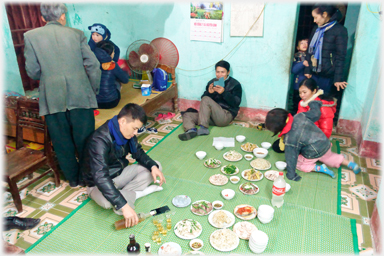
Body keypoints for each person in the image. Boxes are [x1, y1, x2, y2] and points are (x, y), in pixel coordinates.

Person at [24, 3, 101, 188]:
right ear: (63, 16)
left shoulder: (30, 36)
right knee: (86, 139)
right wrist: (92, 90)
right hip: (81, 95)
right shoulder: (77, 34)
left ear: (43, 18)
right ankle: (86, 178)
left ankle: (73, 179)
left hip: (52, 97)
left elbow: (32, 71)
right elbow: (94, 65)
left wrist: (48, 76)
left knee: (61, 141)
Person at [81, 103, 166, 228]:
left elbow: (138, 153)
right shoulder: (99, 141)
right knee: (106, 203)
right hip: (98, 183)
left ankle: (122, 196)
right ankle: (136, 194)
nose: (136, 133)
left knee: (156, 166)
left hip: (120, 174)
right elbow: (101, 177)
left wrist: (153, 167)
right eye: (134, 128)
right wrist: (124, 206)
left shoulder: (127, 133)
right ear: (122, 121)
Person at [265, 101, 361, 181]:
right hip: (325, 143)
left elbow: (291, 158)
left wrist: (291, 175)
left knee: (299, 164)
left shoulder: (290, 138)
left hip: (312, 152)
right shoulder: (300, 116)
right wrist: (315, 104)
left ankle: (320, 168)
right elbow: (316, 114)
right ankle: (350, 164)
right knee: (331, 157)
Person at [305, 4, 348, 123]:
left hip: (327, 75)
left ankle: (320, 127)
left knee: (323, 103)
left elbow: (341, 56)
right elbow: (310, 50)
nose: (314, 21)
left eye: (316, 17)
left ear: (324, 14)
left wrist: (338, 78)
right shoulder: (316, 29)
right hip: (313, 72)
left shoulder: (340, 31)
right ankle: (308, 124)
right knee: (310, 100)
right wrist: (308, 70)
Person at [178, 60, 242, 141]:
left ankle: (203, 128)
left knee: (206, 99)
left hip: (225, 116)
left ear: (228, 72)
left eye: (223, 72)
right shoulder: (212, 82)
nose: (220, 75)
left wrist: (224, 93)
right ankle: (191, 131)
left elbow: (236, 103)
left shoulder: (235, 84)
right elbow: (204, 99)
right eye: (217, 72)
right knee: (187, 115)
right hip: (211, 116)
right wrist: (210, 93)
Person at [95, 41, 129, 109]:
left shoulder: (91, 64)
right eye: (113, 51)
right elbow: (125, 80)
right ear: (109, 54)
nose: (114, 53)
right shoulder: (113, 65)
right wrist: (123, 69)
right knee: (116, 81)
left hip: (95, 103)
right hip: (111, 102)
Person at [291, 38, 310, 115]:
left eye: (306, 42)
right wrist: (302, 64)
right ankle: (296, 115)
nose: (305, 44)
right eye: (302, 43)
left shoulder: (312, 56)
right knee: (297, 101)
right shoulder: (296, 56)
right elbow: (293, 70)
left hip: (308, 85)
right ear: (298, 47)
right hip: (298, 84)